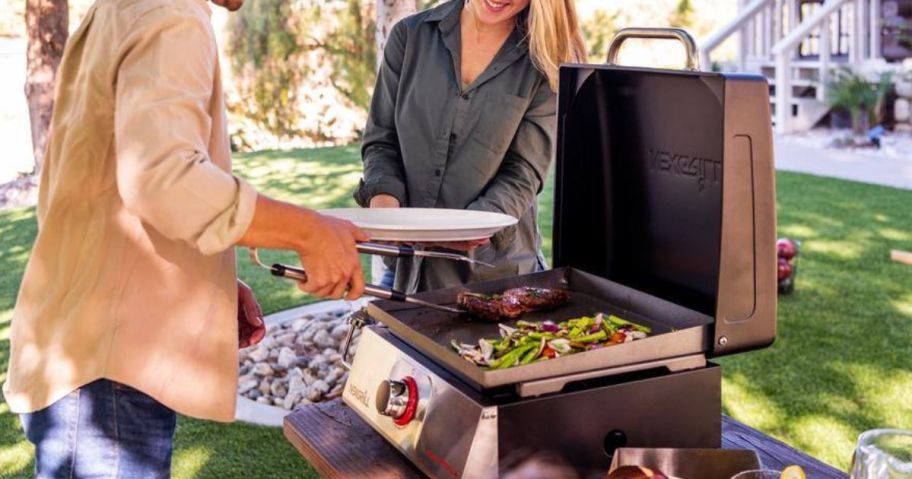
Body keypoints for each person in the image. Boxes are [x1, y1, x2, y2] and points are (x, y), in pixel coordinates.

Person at [3, 0, 367, 476]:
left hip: (81, 352)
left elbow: (102, 187)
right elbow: (163, 177)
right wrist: (310, 231)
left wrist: (206, 281)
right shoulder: (171, 14)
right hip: (107, 374)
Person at [355, 0, 586, 293]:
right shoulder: (410, 37)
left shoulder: (547, 60)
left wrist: (471, 227)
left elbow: (524, 172)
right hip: (406, 271)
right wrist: (385, 210)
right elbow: (382, 140)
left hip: (497, 279)